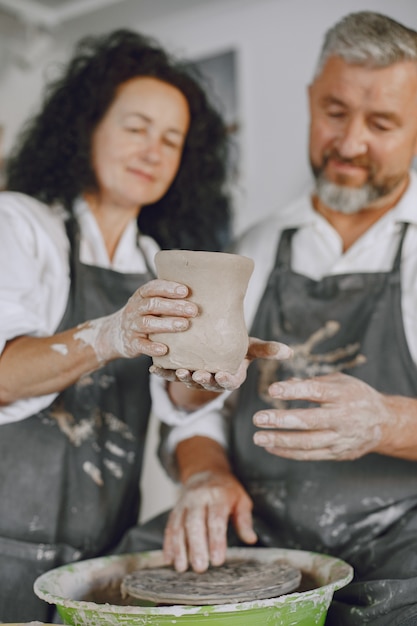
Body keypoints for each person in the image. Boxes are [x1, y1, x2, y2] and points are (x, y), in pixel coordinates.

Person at [158, 11, 417, 626]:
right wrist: (205, 475)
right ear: (309, 100)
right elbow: (186, 408)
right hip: (258, 537)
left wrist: (386, 422)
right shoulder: (255, 244)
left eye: (381, 123)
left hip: (401, 551)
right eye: (334, 112)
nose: (350, 143)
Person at [0, 27, 237, 622]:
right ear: (88, 129)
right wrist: (111, 335)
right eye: (135, 128)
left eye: (171, 139)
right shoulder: (21, 226)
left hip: (94, 569)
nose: (152, 151)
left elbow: (184, 410)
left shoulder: (161, 263)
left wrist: (211, 369)